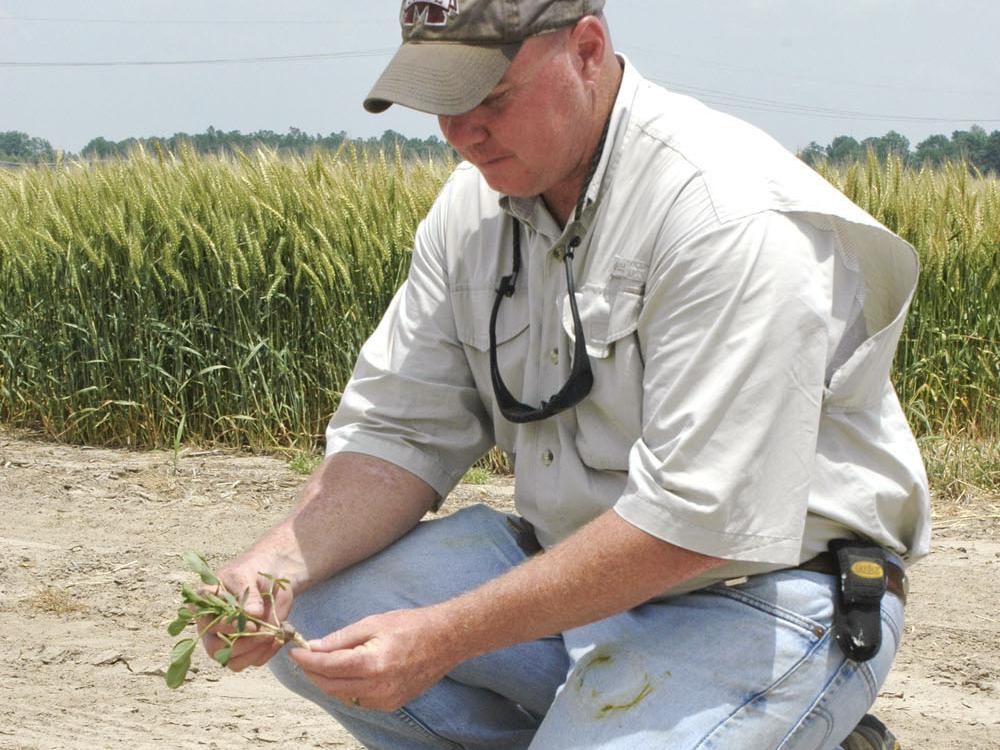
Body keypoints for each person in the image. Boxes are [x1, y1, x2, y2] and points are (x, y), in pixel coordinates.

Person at [202, 2, 929, 748]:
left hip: (759, 596)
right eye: (442, 101)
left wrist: (444, 635)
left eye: (490, 96)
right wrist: (275, 566)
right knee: (322, 619)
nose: (460, 131)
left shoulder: (726, 214)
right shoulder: (471, 210)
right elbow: (397, 433)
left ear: (587, 48)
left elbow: (697, 523)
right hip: (572, 580)